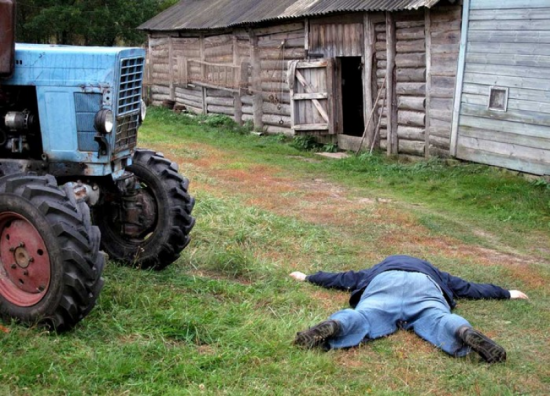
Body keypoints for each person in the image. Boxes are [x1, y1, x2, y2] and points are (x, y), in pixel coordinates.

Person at [290, 255, 529, 363]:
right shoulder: (433, 271)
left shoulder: (381, 267)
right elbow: (468, 287)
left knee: (363, 315)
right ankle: (463, 331)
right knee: (439, 318)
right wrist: (507, 293)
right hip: (424, 287)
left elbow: (344, 278)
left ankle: (337, 324)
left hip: (385, 284)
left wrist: (307, 277)